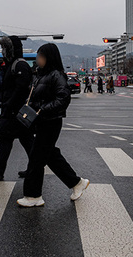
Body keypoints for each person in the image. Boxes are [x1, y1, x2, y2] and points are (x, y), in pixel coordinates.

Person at [18, 44, 89, 207]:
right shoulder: (42, 74)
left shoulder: (56, 75)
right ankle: (77, 182)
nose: (38, 60)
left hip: (51, 121)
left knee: (36, 158)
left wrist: (42, 110)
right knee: (50, 155)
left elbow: (63, 99)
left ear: (49, 57)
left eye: (40, 56)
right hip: (41, 120)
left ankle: (33, 196)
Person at [0, 36, 35, 181]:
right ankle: (31, 168)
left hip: (14, 112)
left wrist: (9, 105)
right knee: (18, 140)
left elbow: (20, 89)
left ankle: (0, 170)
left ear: (11, 49)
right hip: (13, 111)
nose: (2, 51)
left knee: (17, 140)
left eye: (5, 48)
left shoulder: (20, 65)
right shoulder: (13, 64)